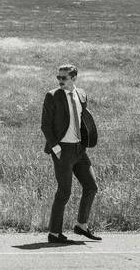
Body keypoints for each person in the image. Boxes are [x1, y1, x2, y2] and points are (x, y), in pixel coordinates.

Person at [40, 63, 101, 243]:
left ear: (74, 78)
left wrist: (84, 143)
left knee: (91, 186)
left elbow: (83, 120)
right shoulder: (52, 96)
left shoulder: (81, 94)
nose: (60, 80)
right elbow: (45, 125)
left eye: (64, 78)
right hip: (63, 150)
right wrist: (56, 149)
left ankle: (81, 226)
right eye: (58, 77)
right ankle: (54, 233)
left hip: (79, 150)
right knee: (64, 191)